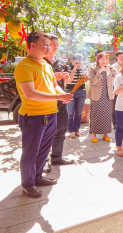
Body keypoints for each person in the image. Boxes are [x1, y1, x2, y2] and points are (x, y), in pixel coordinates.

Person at [14, 32, 72, 198]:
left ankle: (38, 176)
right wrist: (59, 97)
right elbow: (31, 94)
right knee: (30, 152)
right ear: (32, 45)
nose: (49, 47)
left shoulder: (46, 65)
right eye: (45, 44)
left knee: (43, 151)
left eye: (50, 44)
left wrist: (63, 95)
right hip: (33, 116)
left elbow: (54, 85)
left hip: (51, 114)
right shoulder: (25, 66)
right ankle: (27, 184)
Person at [43, 34, 75, 174]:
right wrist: (53, 76)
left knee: (61, 129)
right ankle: (43, 161)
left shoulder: (61, 61)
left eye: (56, 45)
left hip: (61, 101)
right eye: (52, 45)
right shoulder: (40, 61)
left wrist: (66, 77)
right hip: (46, 101)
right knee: (44, 133)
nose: (55, 47)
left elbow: (65, 82)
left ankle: (57, 156)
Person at [87, 52, 118, 143]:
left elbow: (118, 77)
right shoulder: (93, 68)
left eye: (106, 59)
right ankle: (94, 134)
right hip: (97, 95)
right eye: (102, 59)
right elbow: (92, 82)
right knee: (95, 114)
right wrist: (99, 72)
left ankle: (105, 134)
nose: (104, 61)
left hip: (108, 95)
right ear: (98, 59)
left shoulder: (109, 68)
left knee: (107, 115)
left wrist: (112, 68)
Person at [65, 53, 87, 139]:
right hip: (71, 90)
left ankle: (77, 130)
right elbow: (68, 81)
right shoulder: (68, 67)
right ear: (73, 60)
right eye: (77, 60)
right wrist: (74, 68)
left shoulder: (82, 67)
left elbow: (84, 79)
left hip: (81, 91)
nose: (78, 62)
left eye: (80, 60)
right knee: (70, 112)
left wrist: (83, 70)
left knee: (79, 113)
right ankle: (71, 130)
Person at [112, 50, 123, 129]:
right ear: (117, 57)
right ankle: (115, 123)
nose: (122, 58)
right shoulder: (113, 66)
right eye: (120, 56)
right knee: (115, 105)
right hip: (116, 87)